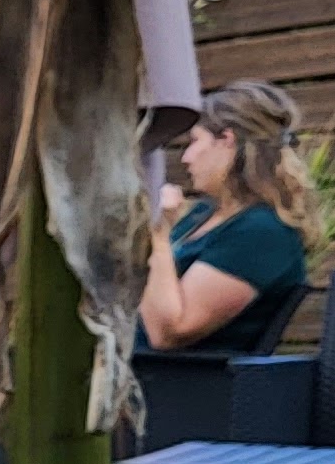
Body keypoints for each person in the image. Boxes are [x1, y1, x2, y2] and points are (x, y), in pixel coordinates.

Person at [138, 80, 322, 354]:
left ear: (227, 140)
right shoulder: (203, 215)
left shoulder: (262, 233)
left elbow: (168, 333)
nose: (186, 158)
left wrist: (158, 232)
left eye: (195, 141)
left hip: (170, 378)